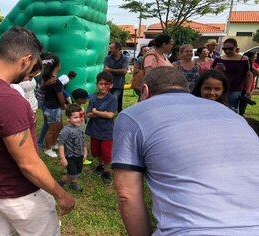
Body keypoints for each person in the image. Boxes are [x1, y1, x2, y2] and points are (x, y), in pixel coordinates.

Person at [112, 66, 259, 236]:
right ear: (186, 89)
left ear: (145, 91)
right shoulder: (230, 113)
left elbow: (127, 194)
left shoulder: (132, 115)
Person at [0, 27, 74, 235]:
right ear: (25, 59)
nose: (27, 76)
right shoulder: (9, 100)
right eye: (31, 66)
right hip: (20, 196)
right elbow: (28, 163)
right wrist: (61, 194)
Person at [85, 71, 117, 185]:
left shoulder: (112, 98)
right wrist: (100, 112)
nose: (103, 86)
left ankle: (107, 171)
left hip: (107, 132)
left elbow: (110, 115)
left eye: (106, 84)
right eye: (101, 84)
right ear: (96, 84)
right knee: (96, 151)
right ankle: (101, 165)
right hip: (94, 130)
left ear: (111, 85)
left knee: (106, 153)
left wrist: (95, 111)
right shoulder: (93, 98)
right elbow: (88, 114)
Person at [211, 38, 250, 112]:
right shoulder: (219, 59)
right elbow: (211, 74)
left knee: (232, 108)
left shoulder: (243, 59)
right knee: (218, 108)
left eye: (230, 49)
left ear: (236, 47)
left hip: (235, 89)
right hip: (219, 88)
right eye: (224, 49)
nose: (227, 51)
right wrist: (216, 69)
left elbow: (248, 75)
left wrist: (248, 89)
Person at [57, 104, 87, 192]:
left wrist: (85, 152)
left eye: (81, 116)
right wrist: (62, 158)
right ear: (68, 118)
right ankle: (61, 182)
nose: (79, 119)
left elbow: (83, 140)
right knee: (71, 174)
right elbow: (61, 144)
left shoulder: (80, 128)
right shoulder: (66, 130)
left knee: (78, 172)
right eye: (76, 117)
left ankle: (74, 183)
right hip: (71, 156)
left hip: (80, 155)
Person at [42, 54, 66, 158]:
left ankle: (53, 144)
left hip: (52, 107)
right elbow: (60, 97)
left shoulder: (47, 78)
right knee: (52, 129)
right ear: (57, 65)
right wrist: (64, 106)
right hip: (53, 108)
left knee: (59, 126)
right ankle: (48, 149)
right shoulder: (56, 81)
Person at [104, 42, 128, 113]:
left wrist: (110, 70)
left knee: (116, 98)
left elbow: (124, 72)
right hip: (109, 83)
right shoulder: (108, 58)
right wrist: (119, 71)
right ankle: (111, 112)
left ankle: (117, 111)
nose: (110, 49)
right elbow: (105, 71)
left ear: (117, 49)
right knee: (111, 98)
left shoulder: (125, 58)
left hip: (119, 84)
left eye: (111, 48)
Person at [71, 88, 92, 165]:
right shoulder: (75, 109)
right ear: (79, 99)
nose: (87, 100)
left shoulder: (79, 107)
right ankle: (81, 158)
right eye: (85, 98)